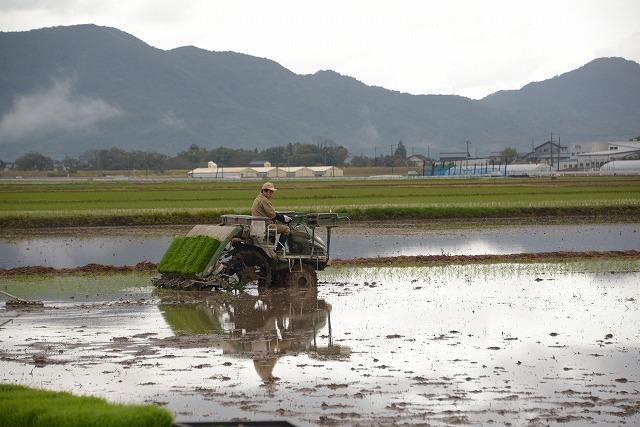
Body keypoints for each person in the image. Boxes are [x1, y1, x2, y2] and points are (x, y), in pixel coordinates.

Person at [251, 182, 291, 252]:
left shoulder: (258, 199)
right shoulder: (264, 200)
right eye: (271, 192)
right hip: (265, 225)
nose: (271, 194)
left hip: (258, 224)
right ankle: (279, 250)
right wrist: (284, 219)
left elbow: (270, 213)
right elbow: (273, 215)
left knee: (277, 226)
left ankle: (274, 246)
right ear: (265, 191)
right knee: (286, 229)